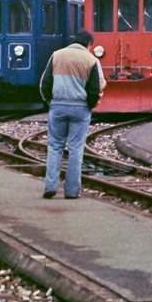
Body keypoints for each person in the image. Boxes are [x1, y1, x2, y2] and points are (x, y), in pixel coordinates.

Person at [38, 31, 103, 199]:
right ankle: (72, 191)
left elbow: (45, 83)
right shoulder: (91, 60)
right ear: (89, 44)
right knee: (76, 149)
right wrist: (90, 105)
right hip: (80, 108)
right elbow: (96, 88)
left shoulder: (57, 55)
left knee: (54, 146)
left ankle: (50, 187)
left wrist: (50, 101)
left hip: (58, 106)